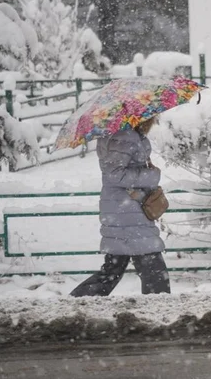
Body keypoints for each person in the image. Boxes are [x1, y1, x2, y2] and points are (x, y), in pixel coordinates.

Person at [70, 117, 170, 296]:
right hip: (128, 212)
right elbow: (114, 174)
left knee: (112, 271)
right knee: (154, 272)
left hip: (124, 210)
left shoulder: (122, 134)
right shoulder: (125, 136)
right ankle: (161, 314)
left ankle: (77, 303)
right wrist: (150, 175)